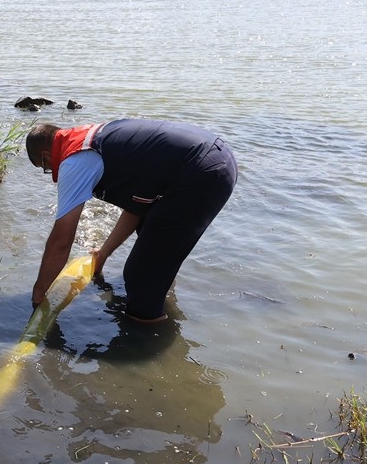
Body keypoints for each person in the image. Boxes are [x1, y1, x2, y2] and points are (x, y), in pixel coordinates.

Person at [26, 118, 237, 323]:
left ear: (46, 155)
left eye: (46, 168)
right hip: (217, 159)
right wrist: (103, 253)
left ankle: (144, 342)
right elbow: (137, 207)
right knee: (151, 244)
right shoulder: (94, 138)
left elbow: (60, 240)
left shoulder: (74, 161)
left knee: (139, 276)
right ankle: (159, 293)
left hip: (201, 173)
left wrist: (39, 293)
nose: (52, 173)